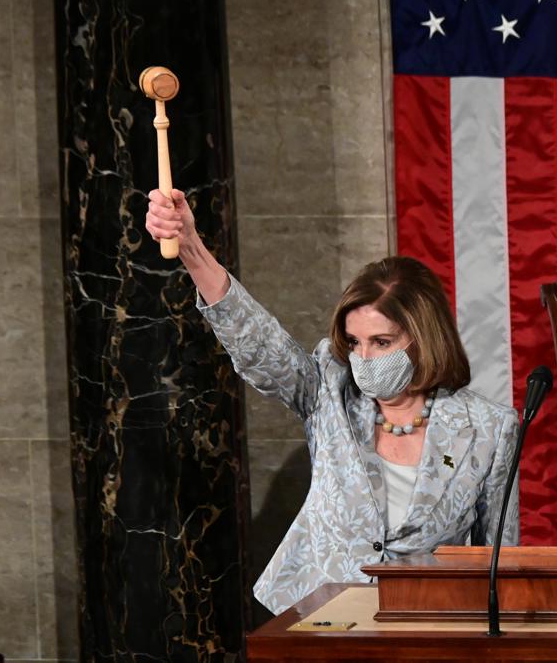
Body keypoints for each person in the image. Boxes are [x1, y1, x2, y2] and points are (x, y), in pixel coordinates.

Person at [144, 189, 520, 614]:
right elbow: (258, 345)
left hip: (428, 623)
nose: (364, 358)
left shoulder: (490, 428)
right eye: (355, 342)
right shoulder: (329, 388)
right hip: (322, 618)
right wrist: (192, 248)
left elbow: (498, 561)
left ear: (424, 337)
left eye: (381, 342)